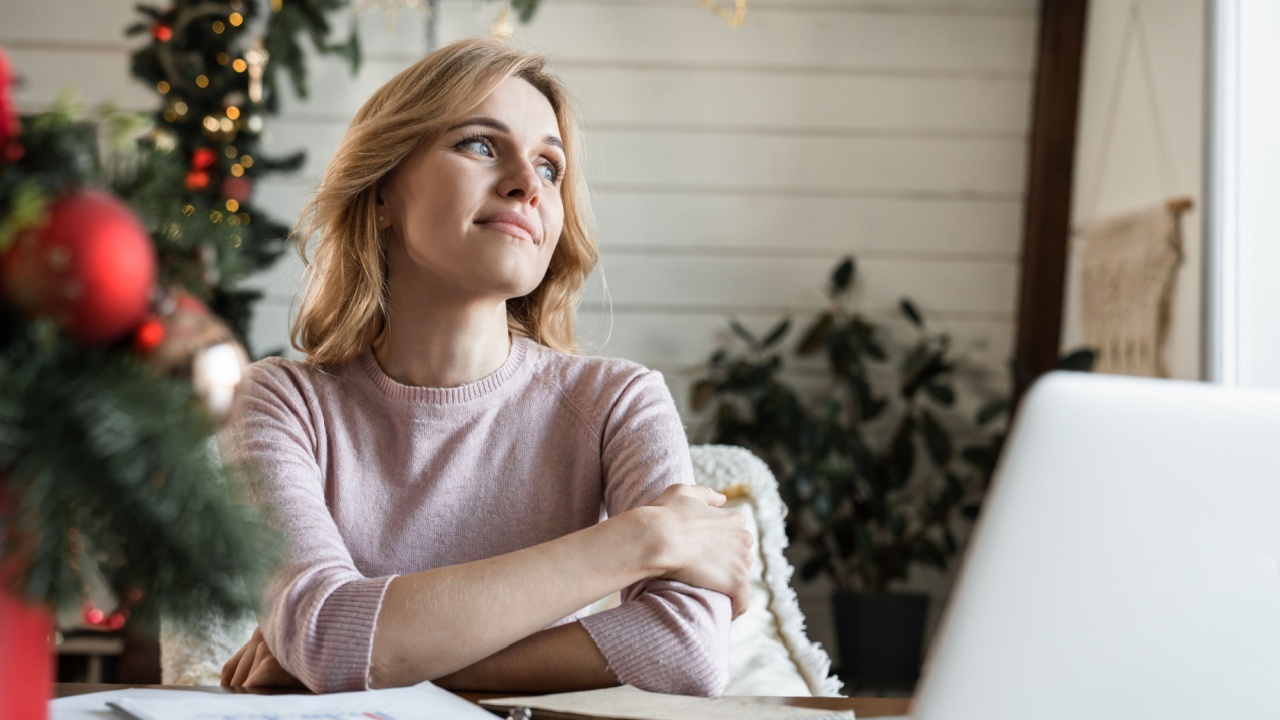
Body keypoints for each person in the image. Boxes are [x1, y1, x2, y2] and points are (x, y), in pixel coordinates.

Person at [217, 38, 753, 697]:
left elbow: (686, 653)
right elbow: (329, 636)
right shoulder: (280, 402)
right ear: (383, 192)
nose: (528, 184)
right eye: (479, 144)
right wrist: (640, 539)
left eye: (551, 167)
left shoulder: (619, 402)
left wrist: (367, 664)